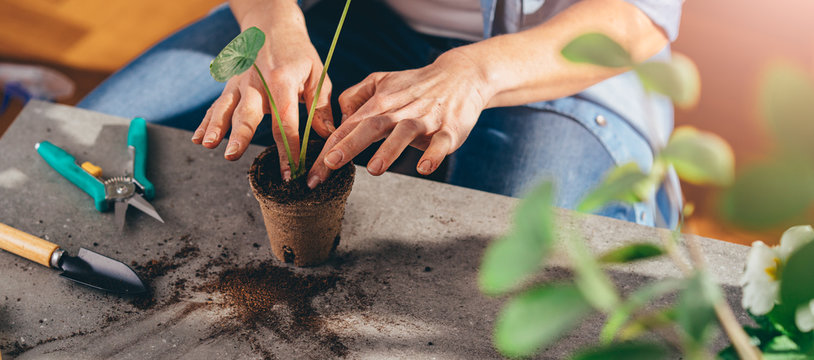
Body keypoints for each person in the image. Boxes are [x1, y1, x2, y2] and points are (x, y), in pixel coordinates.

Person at [78, 0, 683, 228]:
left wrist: (474, 72)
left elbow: (636, 16)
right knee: (84, 141)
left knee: (513, 282)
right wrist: (273, 24)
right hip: (342, 13)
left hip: (544, 55)